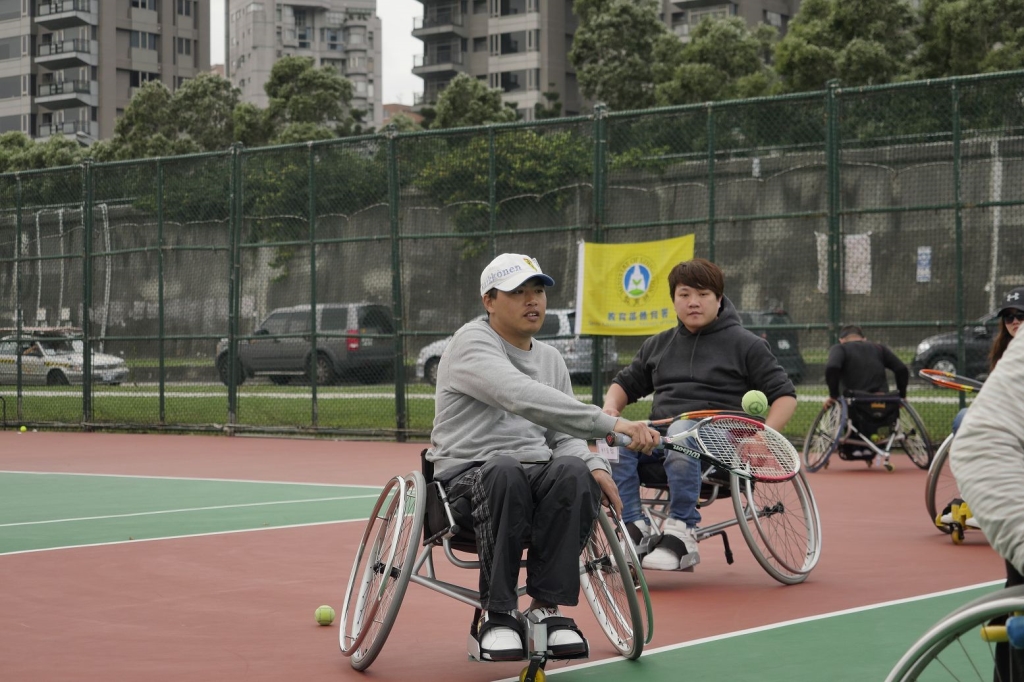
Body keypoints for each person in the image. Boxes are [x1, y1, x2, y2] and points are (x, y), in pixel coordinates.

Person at [426, 252, 660, 663]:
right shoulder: (471, 342)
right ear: (489, 300)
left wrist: (595, 466)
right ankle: (497, 614)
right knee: (504, 469)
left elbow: (562, 434)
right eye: (518, 292)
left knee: (572, 471)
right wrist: (611, 424)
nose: (532, 300)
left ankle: (546, 611)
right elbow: (520, 395)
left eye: (537, 291)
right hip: (465, 482)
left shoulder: (550, 359)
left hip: (532, 481)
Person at [601, 257, 797, 572]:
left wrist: (764, 436)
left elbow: (785, 396)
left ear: (719, 299)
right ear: (674, 300)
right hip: (666, 439)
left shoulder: (747, 345)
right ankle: (633, 527)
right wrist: (611, 408)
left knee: (682, 431)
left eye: (703, 294)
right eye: (685, 294)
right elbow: (623, 384)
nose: (693, 302)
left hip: (722, 444)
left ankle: (682, 531)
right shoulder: (658, 345)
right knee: (618, 438)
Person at [949, 295, 1024, 681]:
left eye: (1020, 315)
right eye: (1008, 316)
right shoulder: (1009, 358)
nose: (1014, 321)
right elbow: (985, 438)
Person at [823, 325, 910, 462]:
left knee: (843, 405)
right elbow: (901, 369)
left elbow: (832, 367)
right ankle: (874, 445)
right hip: (882, 401)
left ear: (841, 340)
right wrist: (902, 395)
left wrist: (833, 395)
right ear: (864, 338)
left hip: (855, 401)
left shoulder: (840, 348)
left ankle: (854, 446)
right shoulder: (879, 348)